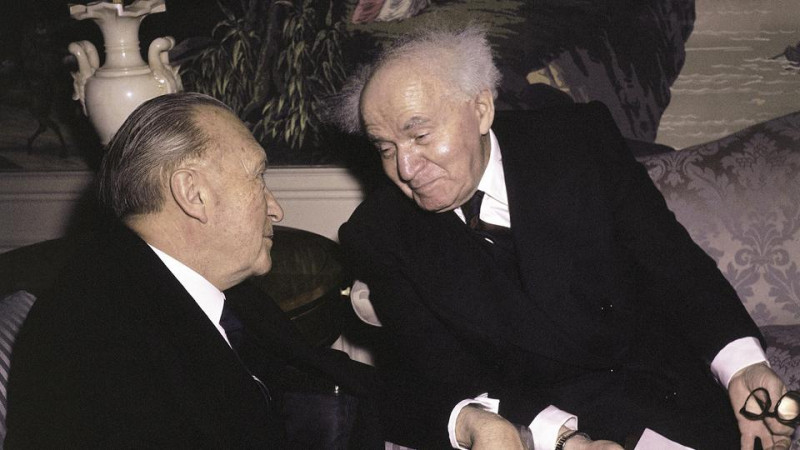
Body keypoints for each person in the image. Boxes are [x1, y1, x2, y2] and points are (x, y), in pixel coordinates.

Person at [333, 26, 798, 449]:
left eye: (419, 136)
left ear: (480, 108)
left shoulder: (578, 141)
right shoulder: (377, 233)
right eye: (385, 148)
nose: (405, 169)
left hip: (660, 392)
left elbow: (674, 265)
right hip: (531, 421)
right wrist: (564, 440)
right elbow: (443, 372)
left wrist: (743, 366)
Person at [5, 92, 376, 448]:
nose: (276, 209)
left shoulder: (213, 286)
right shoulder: (95, 341)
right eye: (258, 177)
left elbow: (314, 370)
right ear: (193, 193)